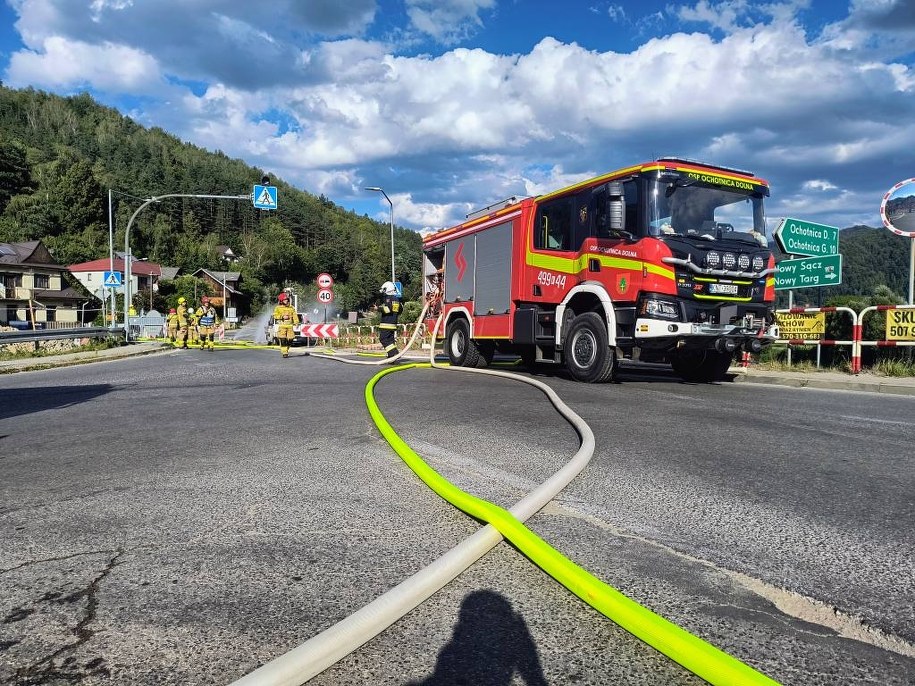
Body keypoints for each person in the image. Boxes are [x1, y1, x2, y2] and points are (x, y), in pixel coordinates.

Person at [377, 280, 402, 360]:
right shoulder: (396, 299)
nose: (383, 292)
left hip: (386, 323)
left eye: (384, 290)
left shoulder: (389, 298)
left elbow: (388, 309)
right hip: (393, 323)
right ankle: (393, 356)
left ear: (388, 289)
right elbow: (401, 310)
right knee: (390, 341)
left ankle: (393, 353)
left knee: (383, 339)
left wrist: (378, 308)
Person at [272, 291, 299, 358]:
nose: (286, 301)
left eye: (287, 299)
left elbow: (294, 315)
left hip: (290, 326)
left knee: (291, 339)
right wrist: (282, 317)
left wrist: (296, 322)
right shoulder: (278, 308)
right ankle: (285, 352)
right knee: (283, 340)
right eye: (284, 300)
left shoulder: (291, 308)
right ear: (281, 301)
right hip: (282, 326)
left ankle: (286, 349)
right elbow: (275, 316)